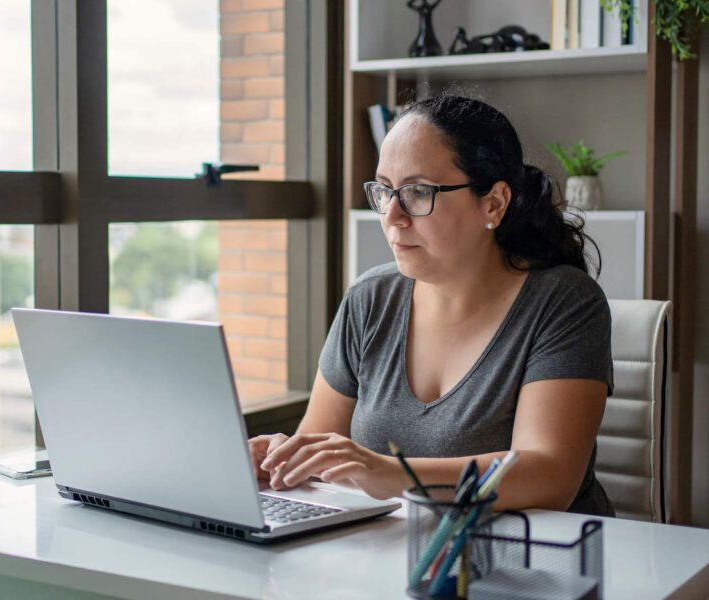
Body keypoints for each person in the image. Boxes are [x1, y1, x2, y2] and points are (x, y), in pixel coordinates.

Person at [249, 95, 614, 516]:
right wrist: (285, 459)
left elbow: (549, 475)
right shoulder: (369, 299)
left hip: (533, 563)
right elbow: (318, 449)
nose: (392, 215)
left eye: (418, 192)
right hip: (396, 556)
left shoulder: (565, 302)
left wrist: (391, 474)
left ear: (493, 203)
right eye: (385, 191)